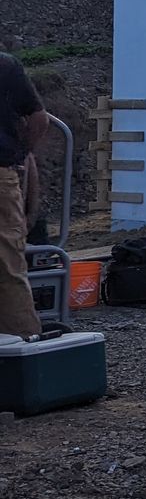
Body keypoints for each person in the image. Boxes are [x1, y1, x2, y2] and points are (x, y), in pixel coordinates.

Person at [0, 50, 52, 339]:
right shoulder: (5, 65)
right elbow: (39, 120)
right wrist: (20, 155)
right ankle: (25, 358)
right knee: (8, 271)